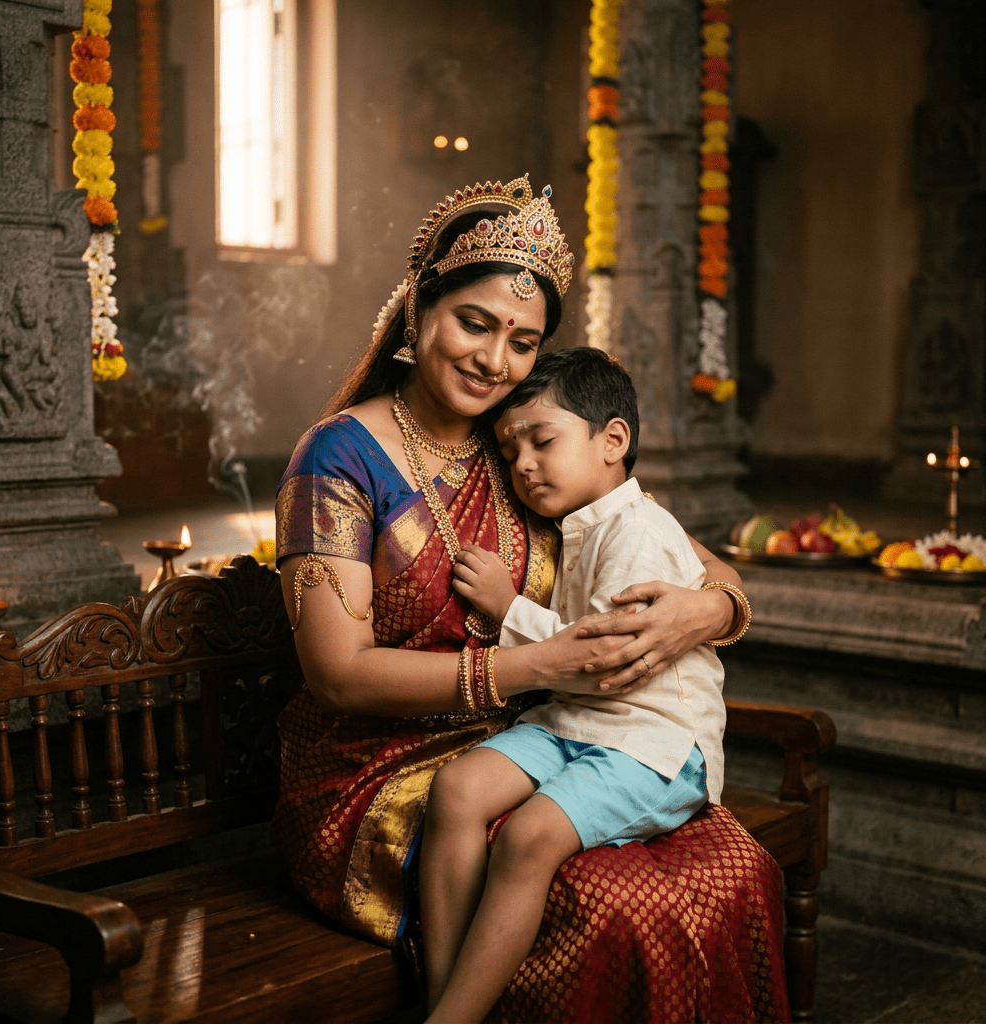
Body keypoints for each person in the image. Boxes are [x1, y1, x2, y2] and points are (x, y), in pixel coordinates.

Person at [272, 175, 790, 1023]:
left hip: (555, 736)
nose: (494, 360)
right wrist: (542, 661)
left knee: (727, 868)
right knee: (612, 905)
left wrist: (710, 612)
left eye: (522, 340)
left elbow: (692, 560)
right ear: (417, 312)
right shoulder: (337, 457)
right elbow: (336, 675)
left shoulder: (527, 446)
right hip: (377, 771)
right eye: (474, 324)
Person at [422, 347, 732, 1022]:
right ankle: (445, 997)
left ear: (612, 439)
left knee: (529, 837)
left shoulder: (640, 529)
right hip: (574, 722)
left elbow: (605, 658)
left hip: (652, 742)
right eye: (509, 452)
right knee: (458, 790)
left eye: (542, 440)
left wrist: (508, 609)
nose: (523, 465)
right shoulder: (579, 527)